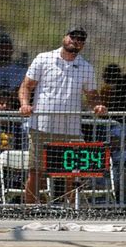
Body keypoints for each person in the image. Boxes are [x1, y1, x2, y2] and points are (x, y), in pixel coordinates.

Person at [18, 27, 107, 204]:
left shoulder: (86, 67)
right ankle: (28, 211)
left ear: (83, 44)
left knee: (73, 173)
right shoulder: (44, 58)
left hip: (71, 129)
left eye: (81, 38)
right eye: (72, 36)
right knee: (36, 173)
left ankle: (71, 209)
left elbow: (92, 95)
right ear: (64, 37)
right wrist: (25, 105)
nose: (76, 40)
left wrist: (97, 106)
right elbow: (26, 86)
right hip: (41, 127)